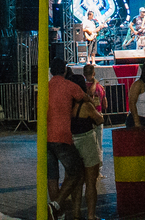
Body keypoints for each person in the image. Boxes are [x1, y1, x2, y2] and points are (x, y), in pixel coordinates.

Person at [46, 58, 87, 219]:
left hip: (46, 137)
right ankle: (56, 205)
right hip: (62, 136)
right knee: (77, 171)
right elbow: (84, 97)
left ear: (51, 71)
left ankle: (58, 214)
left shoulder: (45, 88)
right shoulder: (69, 86)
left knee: (52, 177)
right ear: (64, 70)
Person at [67, 70, 104, 220]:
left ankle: (76, 213)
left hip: (72, 141)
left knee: (77, 181)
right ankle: (91, 215)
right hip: (87, 140)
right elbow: (100, 119)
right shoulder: (86, 105)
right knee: (90, 181)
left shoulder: (67, 106)